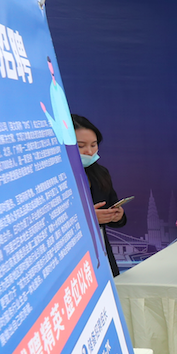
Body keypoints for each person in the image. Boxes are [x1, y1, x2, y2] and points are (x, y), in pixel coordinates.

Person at [72, 114, 128, 276]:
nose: (89, 152)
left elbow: (112, 205)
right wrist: (87, 219)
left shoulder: (101, 173)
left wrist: (117, 216)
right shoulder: (55, 179)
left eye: (94, 144)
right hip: (73, 259)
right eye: (80, 146)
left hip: (101, 252)